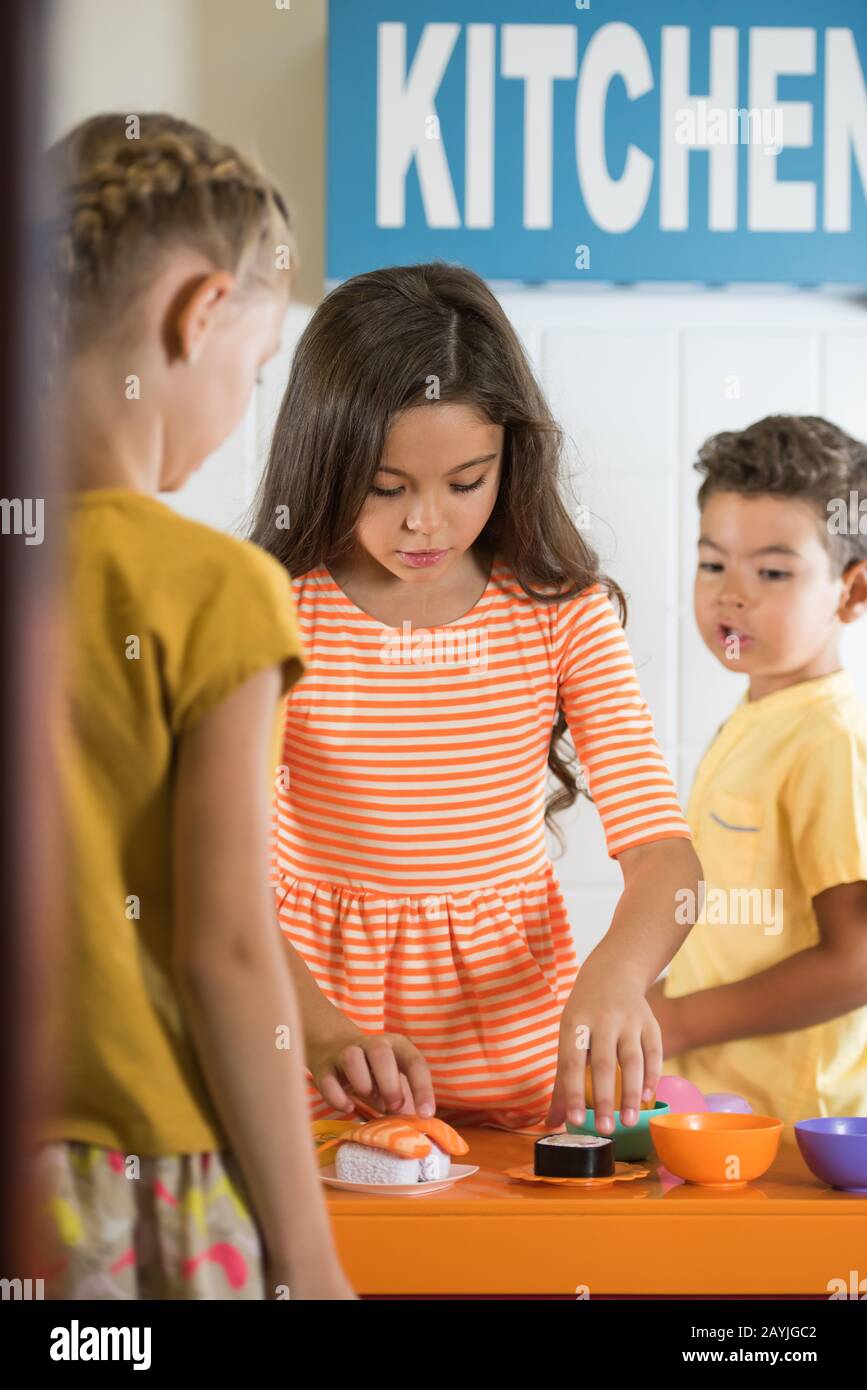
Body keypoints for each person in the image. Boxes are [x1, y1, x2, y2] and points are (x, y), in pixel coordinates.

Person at [250, 261, 701, 1137]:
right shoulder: (272, 613)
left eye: (466, 482)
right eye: (385, 488)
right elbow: (217, 876)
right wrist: (323, 1032)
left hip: (520, 1075)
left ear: (511, 457)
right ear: (324, 455)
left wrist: (616, 974)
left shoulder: (558, 614)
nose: (427, 523)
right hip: (307, 1054)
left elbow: (665, 859)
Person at [35, 112, 353, 1299]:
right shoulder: (214, 588)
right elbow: (224, 950)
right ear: (198, 312)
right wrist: (311, 1257)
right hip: (133, 1174)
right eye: (259, 368)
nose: (248, 402)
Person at [650, 415, 867, 1128]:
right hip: (720, 1114)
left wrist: (677, 1020)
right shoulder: (757, 717)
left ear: (851, 592)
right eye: (713, 563)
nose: (731, 594)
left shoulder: (828, 739)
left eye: (771, 572)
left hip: (798, 1134)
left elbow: (857, 959)